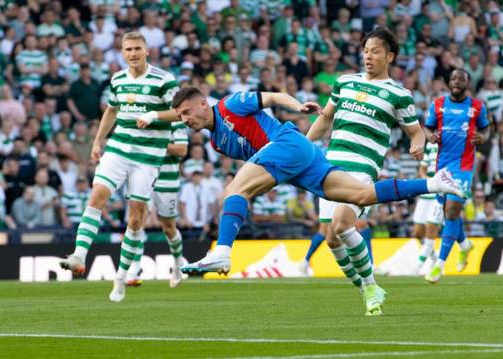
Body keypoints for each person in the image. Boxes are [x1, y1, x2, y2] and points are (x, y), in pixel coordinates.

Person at [142, 85, 462, 317]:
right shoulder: (216, 142)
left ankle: (223, 253)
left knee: (233, 192)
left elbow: (272, 97)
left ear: (201, 104)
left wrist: (296, 106)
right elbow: (258, 163)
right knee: (361, 194)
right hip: (295, 162)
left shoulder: (229, 105)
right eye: (179, 115)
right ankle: (436, 182)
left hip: (288, 144)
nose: (183, 119)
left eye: (185, 112)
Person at [306, 27, 427, 315]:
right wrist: (300, 146)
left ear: (390, 56)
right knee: (331, 237)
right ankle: (366, 289)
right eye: (365, 50)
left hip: (362, 168)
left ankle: (371, 285)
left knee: (342, 222)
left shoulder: (399, 94)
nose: (368, 56)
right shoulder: (345, 82)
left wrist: (417, 144)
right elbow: (325, 120)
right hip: (328, 166)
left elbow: (415, 132)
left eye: (375, 51)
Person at [59, 32, 179, 303]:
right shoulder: (117, 79)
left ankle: (121, 277)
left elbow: (180, 112)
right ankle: (79, 254)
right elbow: (111, 111)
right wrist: (98, 141)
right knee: (97, 195)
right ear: (123, 53)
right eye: (128, 49)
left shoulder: (164, 80)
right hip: (119, 148)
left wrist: (153, 115)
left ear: (147, 51)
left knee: (136, 217)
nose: (133, 53)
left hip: (148, 156)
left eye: (137, 48)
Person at [424, 68, 490, 283]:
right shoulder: (438, 104)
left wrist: (483, 137)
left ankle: (439, 265)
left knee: (452, 212)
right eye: (453, 79)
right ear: (449, 82)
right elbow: (427, 128)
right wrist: (430, 136)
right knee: (447, 212)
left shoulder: (477, 107)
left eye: (461, 80)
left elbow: (487, 131)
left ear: (467, 83)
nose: (456, 82)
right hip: (442, 166)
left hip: (464, 166)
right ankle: (464, 244)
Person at [126, 121, 189, 288]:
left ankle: (177, 265)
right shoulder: (143, 119)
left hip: (167, 180)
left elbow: (182, 150)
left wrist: (156, 142)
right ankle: (134, 269)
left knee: (168, 228)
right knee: (136, 221)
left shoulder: (177, 123)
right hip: (143, 176)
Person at [412, 142, 443, 274]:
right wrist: (428, 182)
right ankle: (435, 260)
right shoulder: (429, 146)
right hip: (426, 193)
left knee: (431, 230)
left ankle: (416, 268)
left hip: (440, 193)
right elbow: (422, 170)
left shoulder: (448, 145)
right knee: (418, 233)